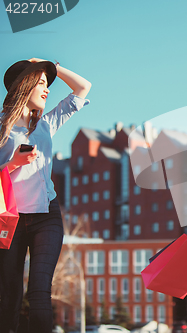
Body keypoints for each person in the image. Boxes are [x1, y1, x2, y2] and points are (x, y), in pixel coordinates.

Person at [0, 58, 91, 333]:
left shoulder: (46, 124)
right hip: (10, 221)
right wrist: (14, 163)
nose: (47, 89)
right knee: (8, 298)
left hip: (46, 216)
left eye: (47, 84)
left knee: (39, 294)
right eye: (40, 83)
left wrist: (50, 66)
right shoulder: (1, 126)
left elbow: (83, 87)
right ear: (23, 86)